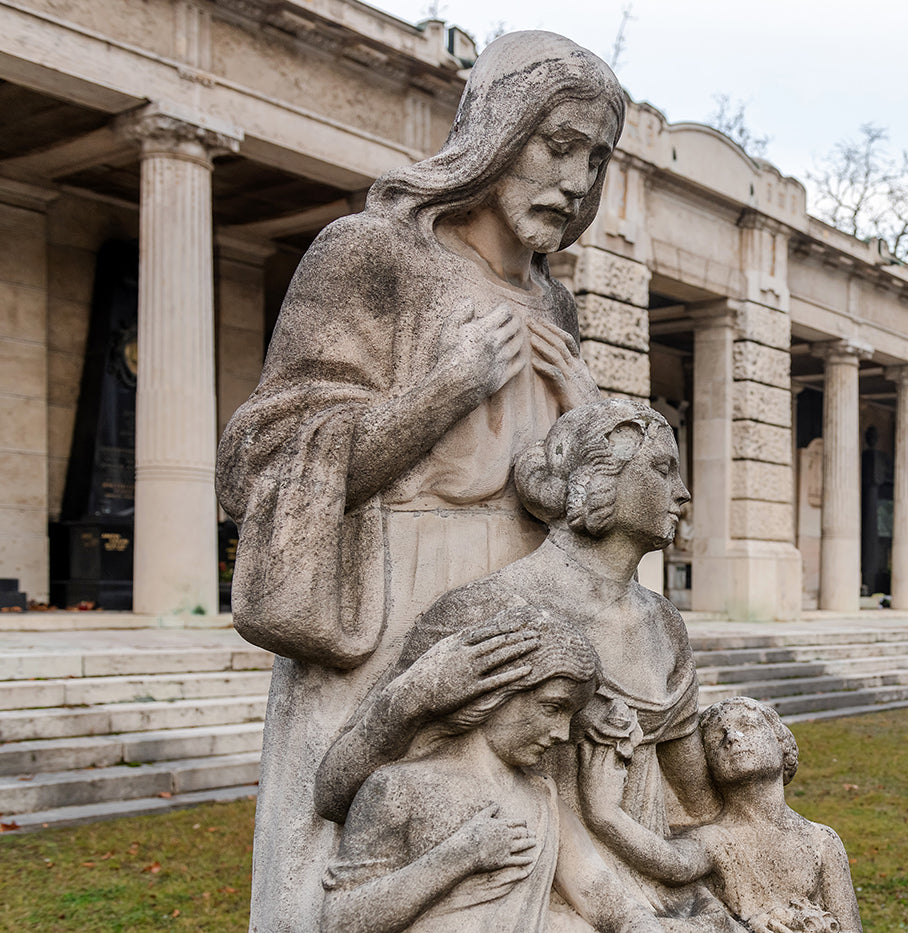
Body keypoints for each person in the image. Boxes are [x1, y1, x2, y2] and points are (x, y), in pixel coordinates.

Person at [214, 32, 626, 931]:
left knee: (515, 872)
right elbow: (259, 466)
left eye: (595, 158)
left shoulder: (554, 303)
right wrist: (445, 389)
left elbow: (558, 492)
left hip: (524, 620)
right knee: (361, 859)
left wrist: (585, 409)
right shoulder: (369, 254)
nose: (575, 180)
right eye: (557, 144)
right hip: (390, 607)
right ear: (496, 131)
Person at [317, 399, 739, 931]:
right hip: (525, 889)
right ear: (597, 477)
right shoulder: (489, 609)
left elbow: (695, 804)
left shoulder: (663, 623)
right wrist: (416, 694)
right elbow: (334, 793)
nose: (682, 492)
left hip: (647, 880)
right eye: (662, 468)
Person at [319, 606, 662, 933]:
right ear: (499, 691)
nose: (562, 732)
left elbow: (609, 903)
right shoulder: (397, 787)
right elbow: (340, 920)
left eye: (570, 716)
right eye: (553, 707)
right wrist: (462, 854)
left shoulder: (541, 795)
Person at [578, 697, 862, 933]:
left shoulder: (821, 840)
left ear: (781, 744)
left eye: (747, 726)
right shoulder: (714, 839)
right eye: (717, 737)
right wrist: (605, 814)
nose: (731, 737)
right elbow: (671, 863)